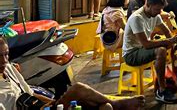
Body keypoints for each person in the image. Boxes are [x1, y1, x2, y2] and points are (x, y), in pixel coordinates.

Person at [0, 37, 145, 110]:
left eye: (6, 55)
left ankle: (113, 104)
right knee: (77, 89)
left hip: (40, 107)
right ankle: (117, 103)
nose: (4, 60)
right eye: (0, 56)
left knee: (103, 107)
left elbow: (30, 93)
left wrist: (51, 103)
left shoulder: (9, 69)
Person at [123, 0, 177, 105]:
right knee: (161, 50)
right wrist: (169, 41)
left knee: (174, 44)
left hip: (142, 49)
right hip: (131, 54)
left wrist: (175, 45)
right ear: (147, 5)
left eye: (160, 10)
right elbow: (146, 44)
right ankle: (162, 91)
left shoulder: (155, 15)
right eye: (156, 10)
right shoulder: (137, 18)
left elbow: (168, 33)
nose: (159, 13)